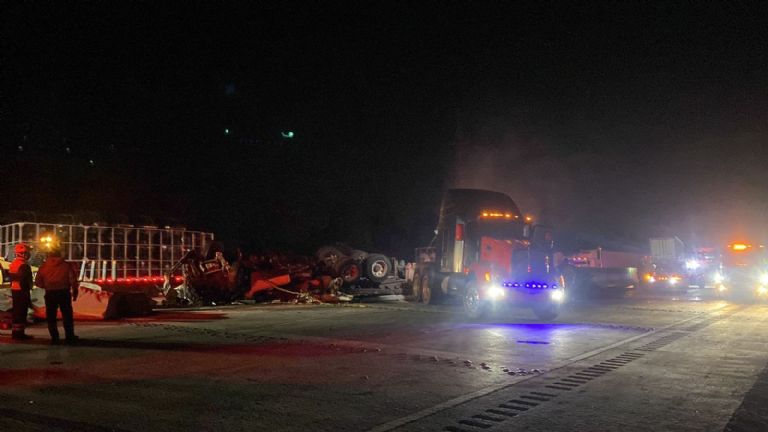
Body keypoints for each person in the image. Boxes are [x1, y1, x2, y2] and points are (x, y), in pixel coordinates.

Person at [34, 245, 79, 344]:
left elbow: (37, 282)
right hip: (64, 292)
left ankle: (55, 337)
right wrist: (75, 291)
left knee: (51, 316)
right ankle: (69, 336)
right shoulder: (66, 265)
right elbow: (73, 280)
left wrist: (46, 286)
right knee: (67, 315)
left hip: (50, 293)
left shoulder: (43, 267)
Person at [8, 243, 33, 340]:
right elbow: (25, 281)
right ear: (23, 253)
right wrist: (27, 293)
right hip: (22, 291)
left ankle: (16, 333)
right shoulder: (23, 265)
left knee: (16, 312)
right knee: (21, 312)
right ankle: (19, 334)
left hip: (15, 290)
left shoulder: (14, 264)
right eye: (27, 252)